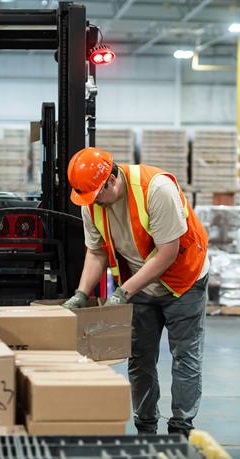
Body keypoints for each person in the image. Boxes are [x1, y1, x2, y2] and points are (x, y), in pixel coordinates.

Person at [62, 147, 209, 437]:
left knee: (185, 356)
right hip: (139, 281)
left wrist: (123, 291)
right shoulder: (90, 200)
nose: (94, 204)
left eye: (97, 197)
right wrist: (80, 294)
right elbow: (96, 252)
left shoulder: (156, 190)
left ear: (112, 181)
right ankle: (146, 426)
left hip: (183, 279)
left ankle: (181, 426)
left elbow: (168, 253)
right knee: (140, 357)